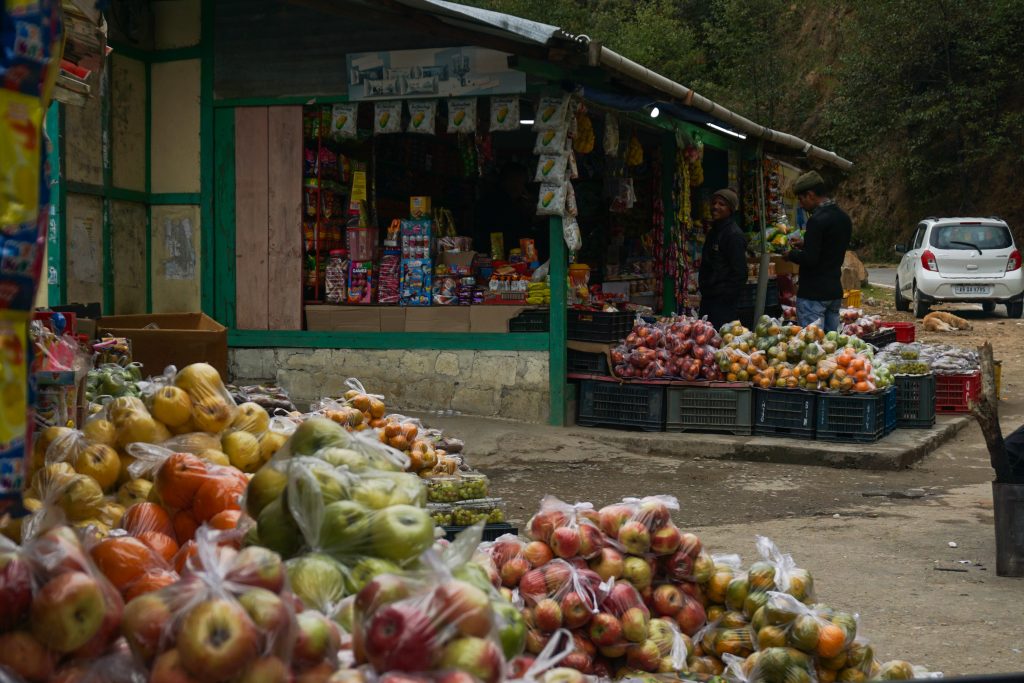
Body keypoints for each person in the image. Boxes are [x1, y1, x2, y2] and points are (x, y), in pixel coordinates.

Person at [784, 171, 852, 331]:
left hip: (813, 294)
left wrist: (791, 255)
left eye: (801, 199)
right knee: (831, 346)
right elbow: (830, 246)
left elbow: (811, 259)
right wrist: (806, 243)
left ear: (811, 195)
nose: (801, 205)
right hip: (834, 291)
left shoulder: (816, 220)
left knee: (812, 350)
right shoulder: (843, 217)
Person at [473, 162, 546, 260]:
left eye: (521, 182)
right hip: (500, 252)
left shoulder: (517, 201)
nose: (519, 186)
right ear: (506, 181)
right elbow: (512, 227)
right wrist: (531, 218)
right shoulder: (496, 201)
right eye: (516, 181)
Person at [698, 188, 747, 328]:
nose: (715, 207)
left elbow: (740, 273)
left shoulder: (733, 235)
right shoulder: (714, 231)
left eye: (721, 204)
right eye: (714, 203)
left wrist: (726, 297)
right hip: (709, 298)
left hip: (722, 303)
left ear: (730, 209)